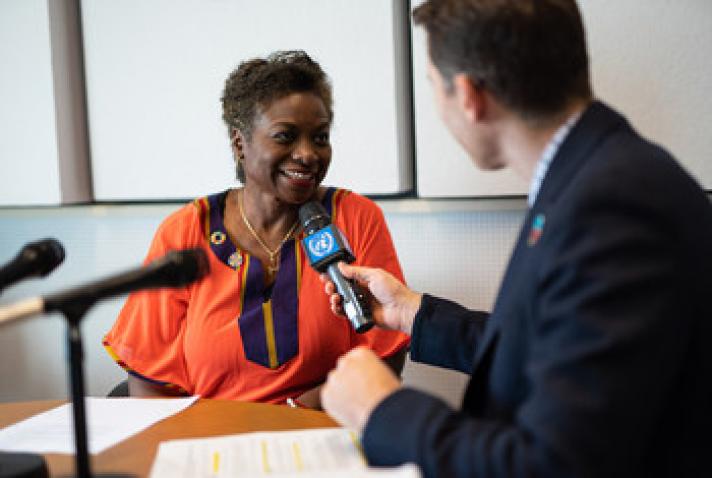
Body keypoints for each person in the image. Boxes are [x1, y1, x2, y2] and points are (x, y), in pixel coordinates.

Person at [320, 1, 712, 476]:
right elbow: (557, 345)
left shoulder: (612, 205)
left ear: (468, 95)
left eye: (433, 87)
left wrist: (382, 411)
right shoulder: (587, 174)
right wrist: (413, 312)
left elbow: (552, 466)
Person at [103, 50, 409, 407]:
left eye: (320, 137)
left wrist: (293, 417)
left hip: (321, 440)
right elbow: (148, 382)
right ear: (240, 144)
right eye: (285, 136)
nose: (308, 154)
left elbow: (383, 359)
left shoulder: (355, 217)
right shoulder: (184, 231)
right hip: (210, 446)